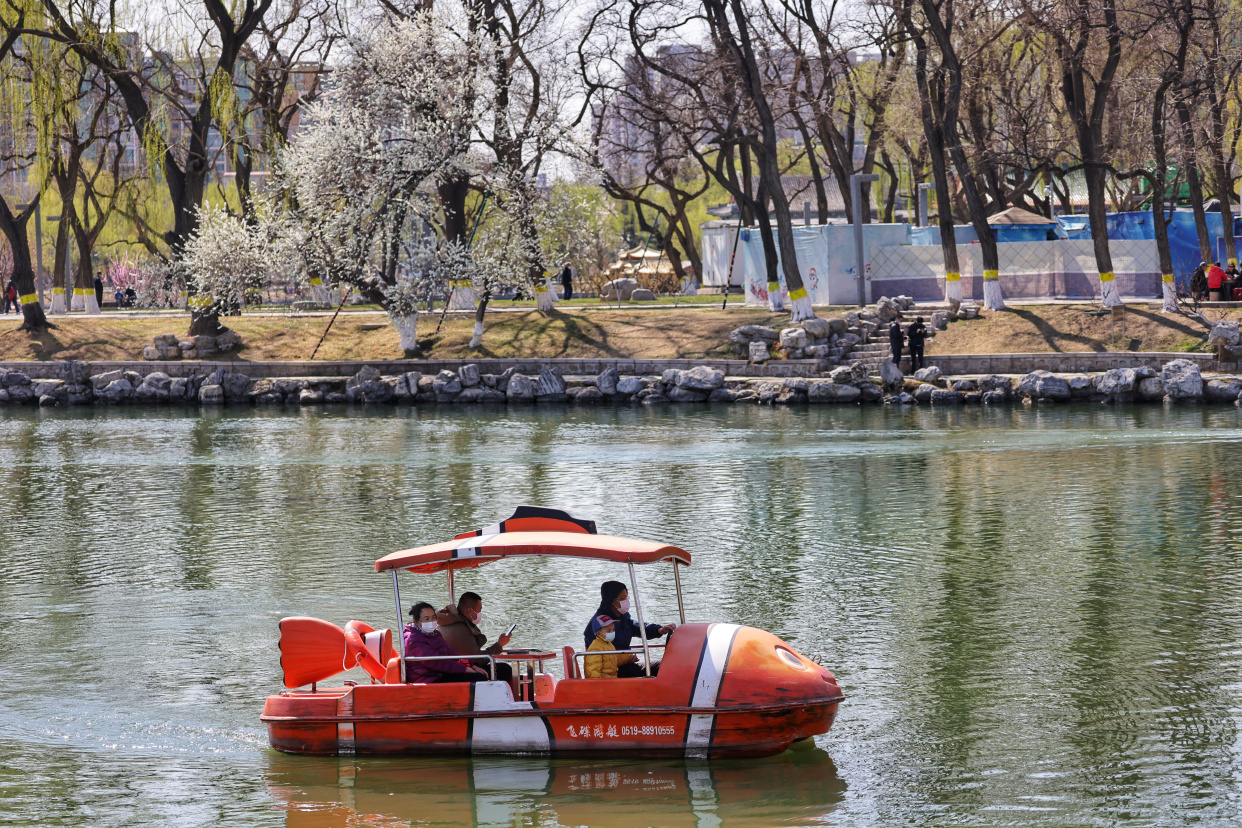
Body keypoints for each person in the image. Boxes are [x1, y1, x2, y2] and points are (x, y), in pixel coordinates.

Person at [583, 581, 676, 678]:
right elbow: (597, 660)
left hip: (627, 665)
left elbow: (639, 627)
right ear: (611, 600)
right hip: (613, 673)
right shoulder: (598, 624)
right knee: (653, 672)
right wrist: (626, 658)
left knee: (665, 666)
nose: (626, 601)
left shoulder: (623, 618)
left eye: (626, 598)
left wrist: (659, 630)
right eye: (622, 599)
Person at [403, 602, 490, 683]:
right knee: (479, 677)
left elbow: (451, 653)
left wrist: (472, 665)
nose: (431, 621)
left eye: (433, 617)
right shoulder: (413, 641)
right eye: (426, 619)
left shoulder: (435, 634)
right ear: (416, 622)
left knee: (499, 668)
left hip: (442, 672)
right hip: (429, 678)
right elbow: (437, 662)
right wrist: (465, 669)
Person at [437, 591, 513, 683]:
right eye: (479, 610)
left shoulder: (450, 621)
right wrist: (499, 644)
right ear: (469, 611)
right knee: (504, 669)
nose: (480, 614)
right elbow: (478, 660)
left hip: (456, 666)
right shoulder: (460, 629)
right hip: (457, 671)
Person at [584, 615, 631, 679]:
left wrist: (629, 657)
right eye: (608, 631)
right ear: (598, 634)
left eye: (613, 630)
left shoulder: (609, 644)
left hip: (612, 679)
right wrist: (598, 686)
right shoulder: (595, 648)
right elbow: (593, 671)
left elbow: (614, 659)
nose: (612, 632)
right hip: (604, 683)